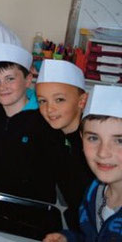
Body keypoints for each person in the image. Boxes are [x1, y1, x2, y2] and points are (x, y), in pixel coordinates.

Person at [0, 43, 66, 203]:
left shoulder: (45, 119)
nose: (2, 87)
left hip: (33, 203)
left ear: (28, 79)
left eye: (10, 78)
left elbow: (54, 170)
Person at [43, 85, 122, 242]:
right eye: (93, 138)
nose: (103, 153)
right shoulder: (95, 191)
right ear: (81, 137)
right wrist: (69, 238)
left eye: (119, 140)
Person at [36, 59, 94, 229]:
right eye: (42, 101)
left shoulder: (94, 145)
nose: (49, 109)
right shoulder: (53, 136)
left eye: (59, 100)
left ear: (82, 101)